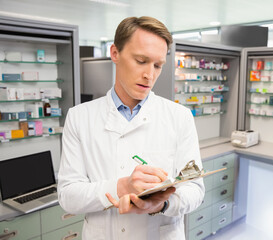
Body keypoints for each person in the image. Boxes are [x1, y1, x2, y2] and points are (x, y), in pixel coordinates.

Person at [57, 16, 205, 240]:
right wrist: (122, 186)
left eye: (157, 65)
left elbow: (195, 190)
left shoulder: (180, 117)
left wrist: (161, 205)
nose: (150, 75)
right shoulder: (79, 117)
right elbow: (68, 196)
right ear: (115, 53)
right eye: (141, 60)